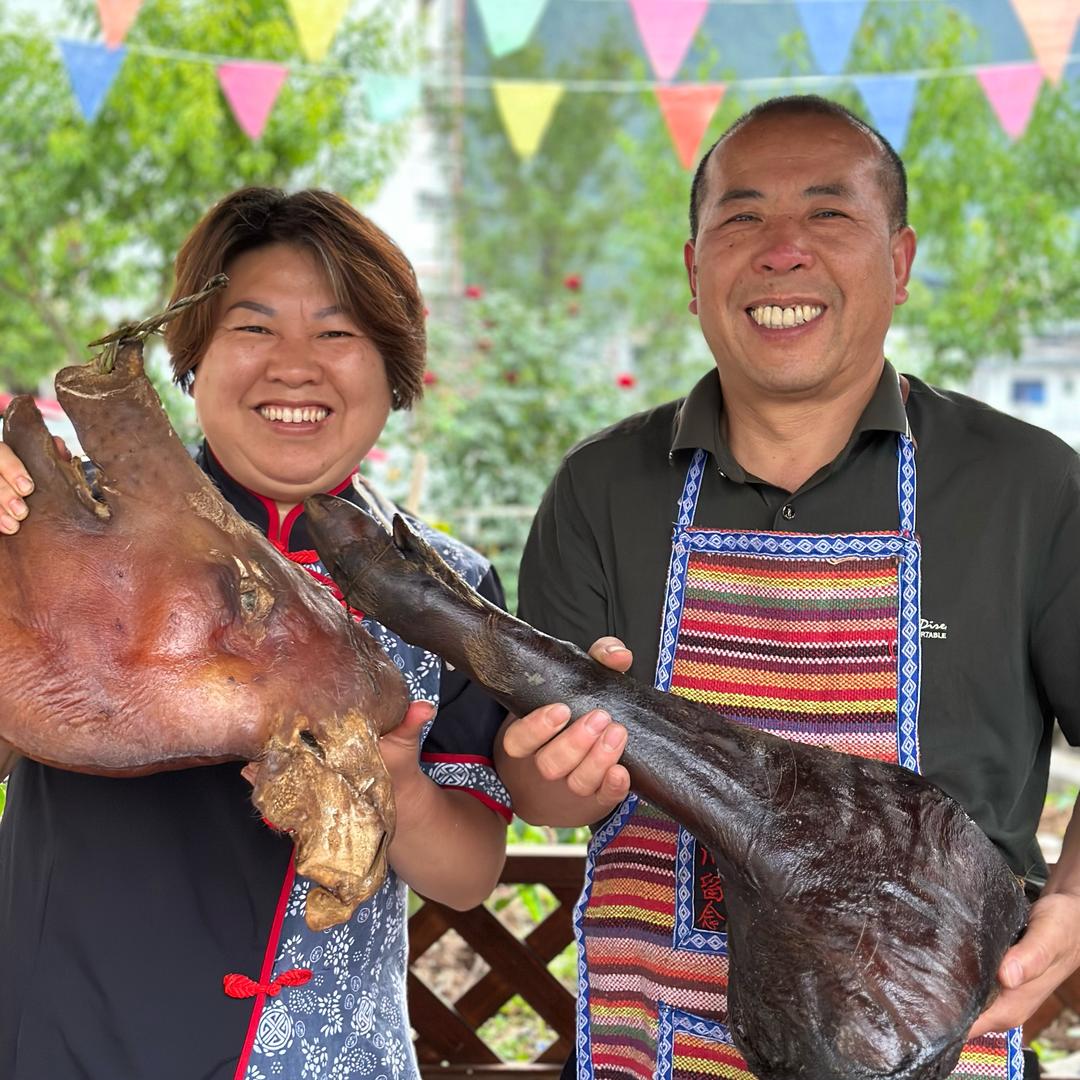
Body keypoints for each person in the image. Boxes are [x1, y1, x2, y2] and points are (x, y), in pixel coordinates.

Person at [496, 95, 1080, 1080]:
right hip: (657, 1045)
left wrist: (1072, 900)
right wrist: (556, 771)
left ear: (898, 263)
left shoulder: (1028, 486)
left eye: (827, 213)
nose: (782, 250)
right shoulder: (601, 487)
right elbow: (539, 792)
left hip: (938, 1045)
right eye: (742, 218)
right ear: (694, 273)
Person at [0, 187, 513, 1079]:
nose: (295, 367)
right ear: (191, 362)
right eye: (254, 328)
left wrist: (401, 787)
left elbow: (467, 878)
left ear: (392, 371)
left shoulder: (451, 589)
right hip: (72, 1044)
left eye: (338, 332)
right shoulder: (54, 528)